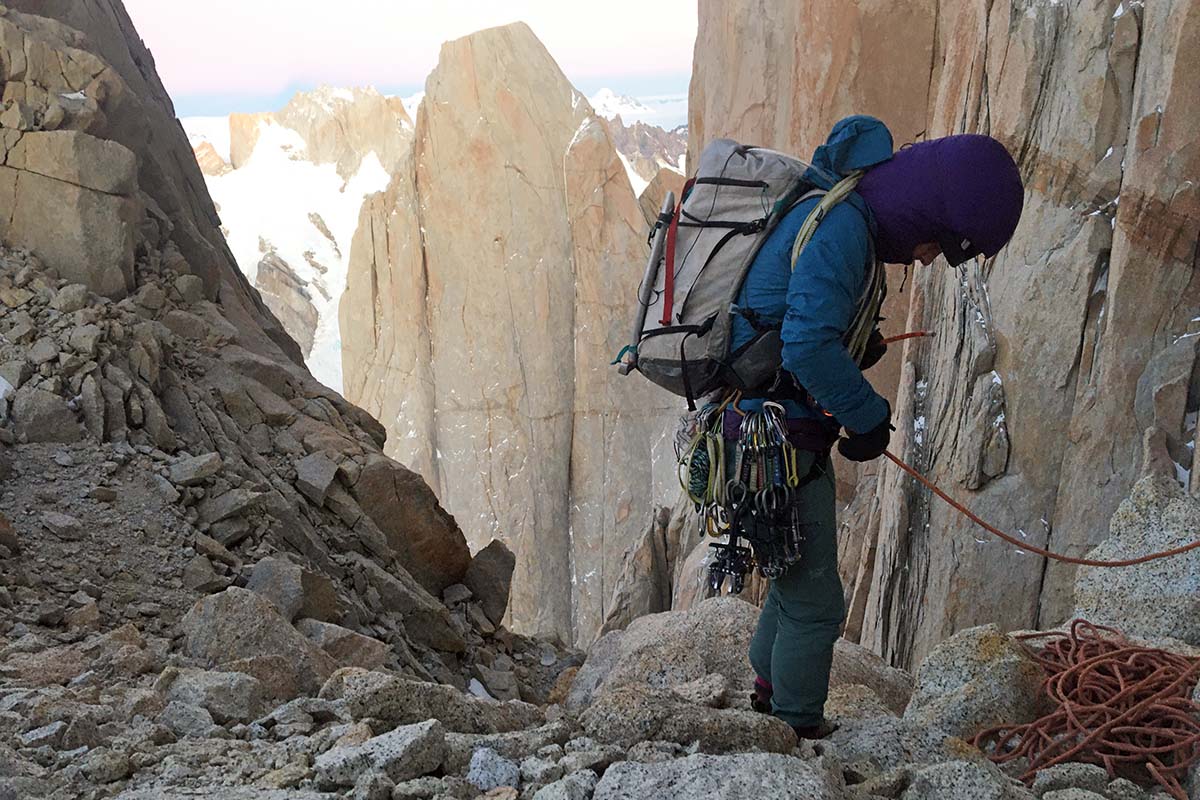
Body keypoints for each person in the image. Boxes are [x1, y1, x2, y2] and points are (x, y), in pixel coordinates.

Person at [731, 122, 1025, 740]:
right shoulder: (844, 232)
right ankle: (795, 728)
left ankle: (767, 689)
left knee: (793, 569)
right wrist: (868, 417)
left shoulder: (844, 210)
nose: (926, 259)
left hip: (759, 424)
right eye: (937, 243)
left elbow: (803, 326)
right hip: (776, 433)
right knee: (817, 601)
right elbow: (807, 344)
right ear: (922, 213)